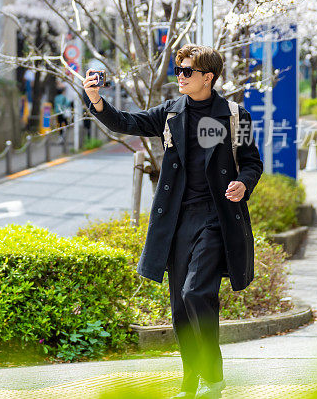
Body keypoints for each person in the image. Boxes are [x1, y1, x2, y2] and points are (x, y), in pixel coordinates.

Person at [83, 44, 262, 399]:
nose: (179, 77)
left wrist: (245, 183)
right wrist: (96, 100)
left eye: (186, 72)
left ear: (207, 77)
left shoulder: (233, 115)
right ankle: (192, 382)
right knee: (180, 308)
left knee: (196, 292)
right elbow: (127, 122)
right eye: (177, 70)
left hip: (216, 218)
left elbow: (251, 160)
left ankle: (213, 375)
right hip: (178, 220)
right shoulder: (171, 113)